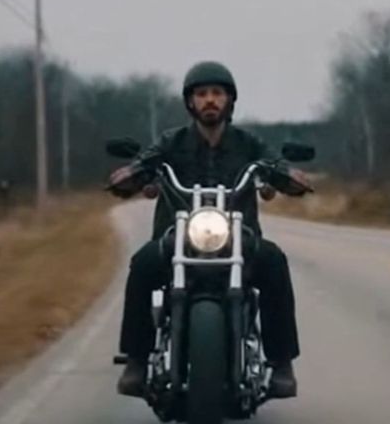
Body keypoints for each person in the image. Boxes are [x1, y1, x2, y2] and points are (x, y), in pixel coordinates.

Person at [108, 61, 310, 399]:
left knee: (274, 262)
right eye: (202, 94)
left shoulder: (247, 143)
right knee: (142, 264)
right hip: (177, 239)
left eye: (217, 93)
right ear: (191, 102)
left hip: (239, 238)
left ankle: (281, 363)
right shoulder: (171, 142)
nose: (210, 100)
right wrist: (131, 174)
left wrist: (288, 176)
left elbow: (274, 163)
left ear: (230, 100)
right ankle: (137, 361)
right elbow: (145, 162)